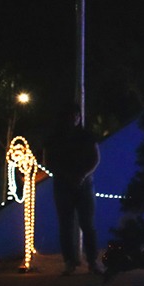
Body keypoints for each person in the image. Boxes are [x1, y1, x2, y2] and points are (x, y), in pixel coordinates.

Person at [45, 104, 102, 275]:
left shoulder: (87, 136)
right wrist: (68, 176)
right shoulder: (55, 138)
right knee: (66, 224)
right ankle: (69, 262)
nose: (74, 119)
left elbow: (95, 158)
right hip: (64, 184)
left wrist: (83, 175)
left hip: (83, 184)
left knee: (87, 224)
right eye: (71, 116)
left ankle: (92, 261)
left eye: (77, 116)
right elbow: (50, 162)